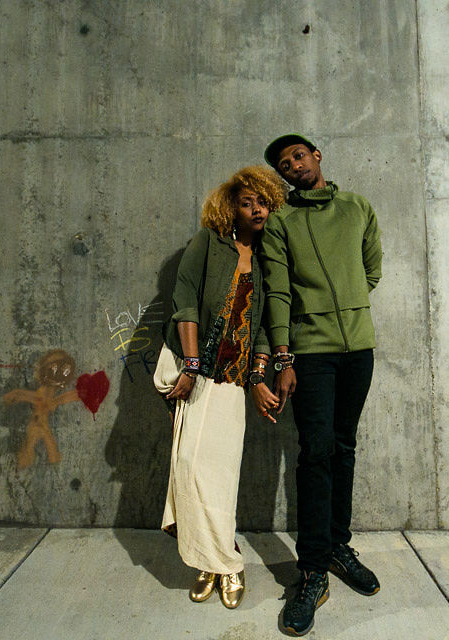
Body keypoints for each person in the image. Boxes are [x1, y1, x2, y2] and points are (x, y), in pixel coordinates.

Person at [260, 134, 383, 636]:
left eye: (298, 156)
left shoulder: (357, 207)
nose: (293, 165)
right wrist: (284, 356)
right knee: (315, 452)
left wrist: (350, 308)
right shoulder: (281, 224)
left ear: (316, 156)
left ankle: (336, 546)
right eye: (284, 164)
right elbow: (279, 292)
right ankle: (311, 570)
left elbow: (371, 268)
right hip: (310, 354)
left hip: (358, 349)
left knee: (343, 447)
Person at [154, 165, 285, 609]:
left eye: (262, 201)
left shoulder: (266, 262)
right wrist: (190, 365)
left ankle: (221, 563)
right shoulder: (208, 244)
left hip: (233, 382)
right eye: (247, 202)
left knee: (221, 478)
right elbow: (185, 298)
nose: (256, 209)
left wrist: (258, 377)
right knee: (190, 466)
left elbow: (262, 328)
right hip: (200, 375)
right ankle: (214, 562)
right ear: (231, 207)